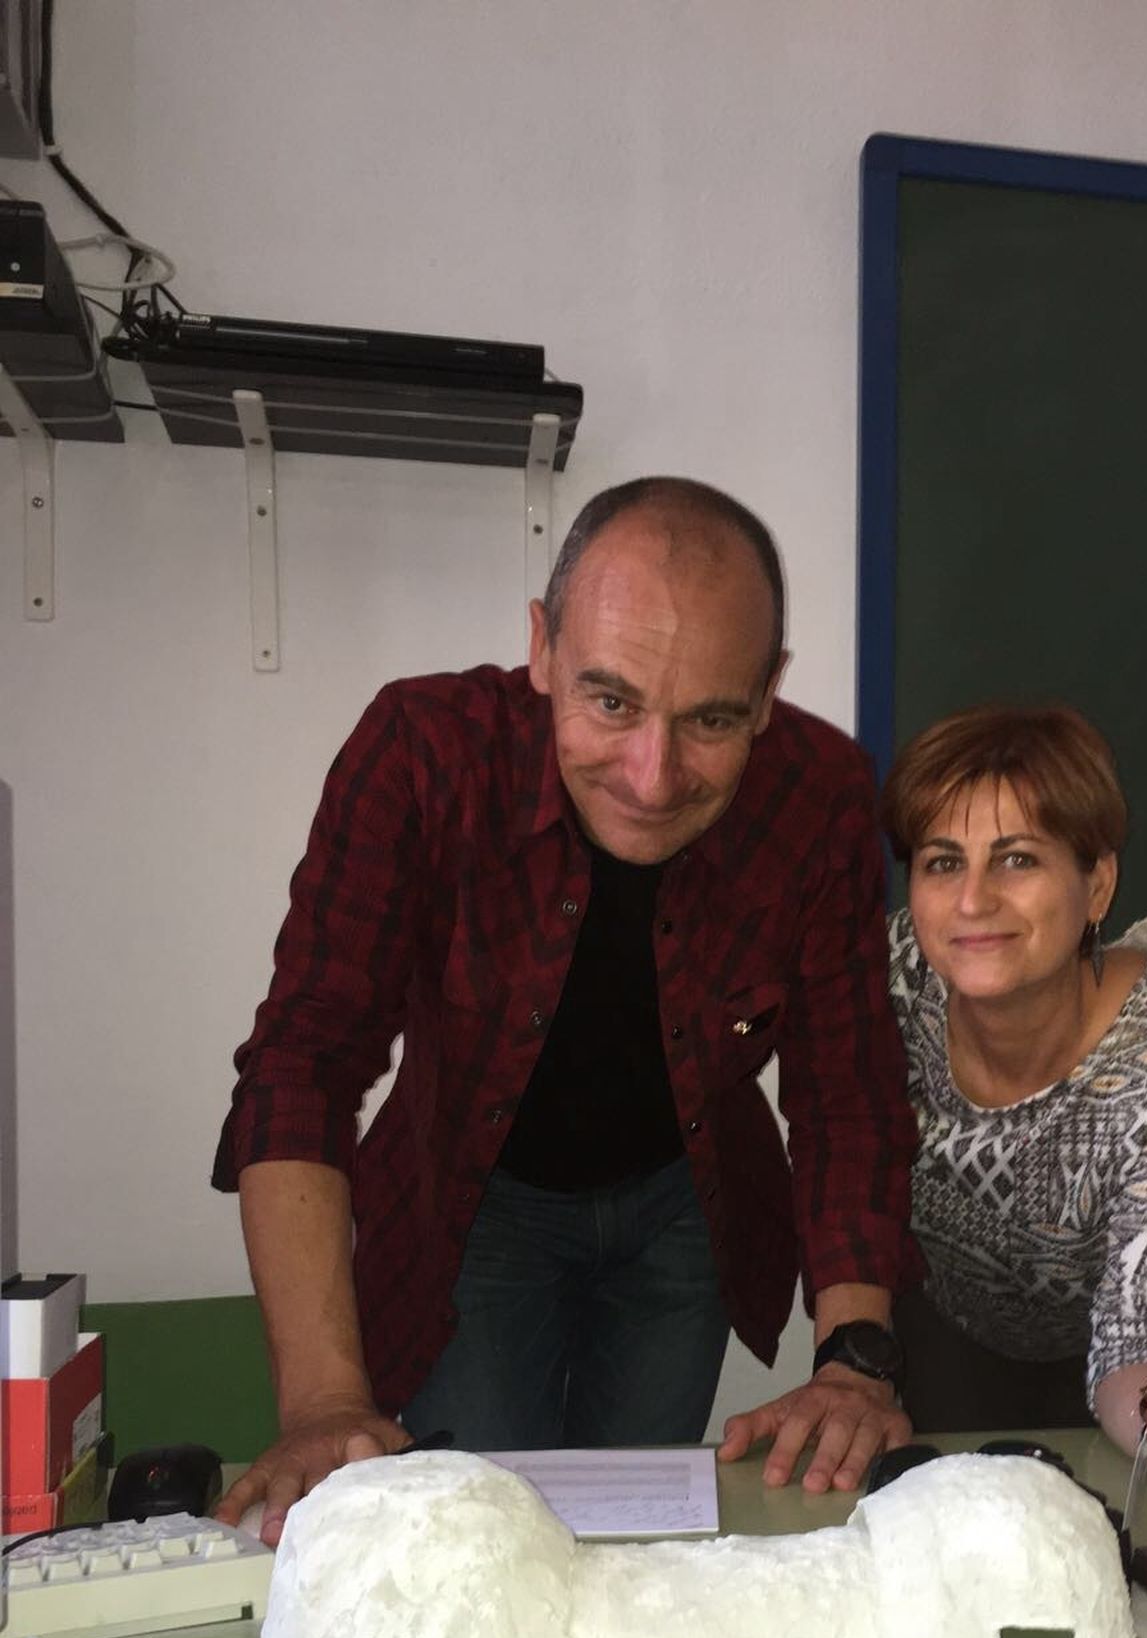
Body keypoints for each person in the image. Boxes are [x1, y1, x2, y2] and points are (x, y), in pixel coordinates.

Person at [212, 477, 918, 1544]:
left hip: (687, 1209)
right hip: (472, 1204)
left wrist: (854, 1360)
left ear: (769, 692)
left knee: (632, 1543)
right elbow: (302, 1062)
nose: (652, 774)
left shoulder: (820, 795)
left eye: (713, 720)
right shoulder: (421, 752)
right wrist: (322, 1403)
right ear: (541, 648)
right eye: (610, 701)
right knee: (478, 1540)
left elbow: (846, 1096)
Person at [880, 703, 1147, 1456]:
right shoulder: (891, 979)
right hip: (945, 1328)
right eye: (943, 861)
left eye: (1017, 858)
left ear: (1098, 886)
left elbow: (1143, 1340)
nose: (973, 900)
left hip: (1123, 1355)